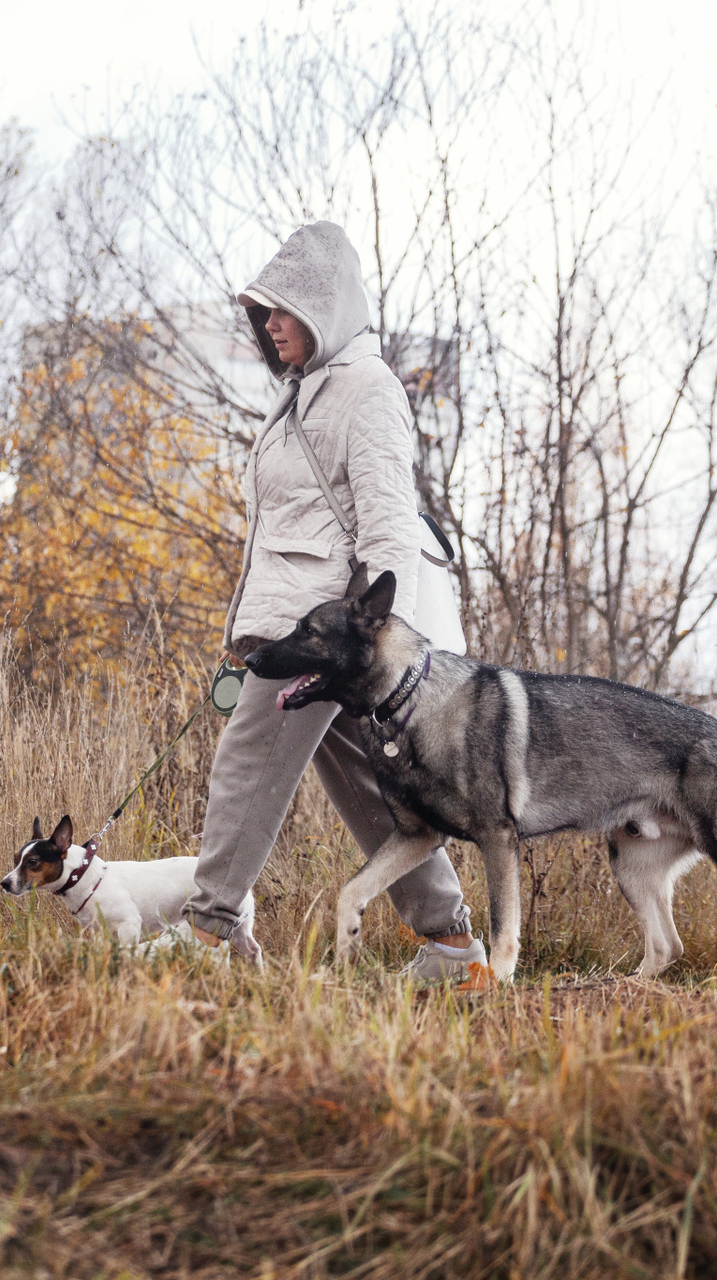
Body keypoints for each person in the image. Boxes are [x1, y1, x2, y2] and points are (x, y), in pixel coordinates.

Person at [181, 221, 487, 980]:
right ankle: (452, 945)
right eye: (263, 312)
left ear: (324, 306)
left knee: (246, 762)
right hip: (301, 627)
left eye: (282, 309)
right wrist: (251, 628)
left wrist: (388, 655)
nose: (269, 324)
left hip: (330, 632)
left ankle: (208, 934)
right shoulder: (300, 395)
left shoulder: (367, 390)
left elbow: (388, 530)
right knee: (360, 778)